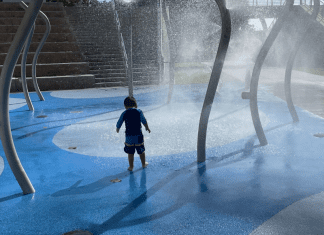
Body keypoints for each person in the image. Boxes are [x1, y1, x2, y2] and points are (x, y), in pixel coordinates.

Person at [116, 96, 151, 171]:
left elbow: (119, 122)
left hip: (129, 136)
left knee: (130, 152)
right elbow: (144, 120)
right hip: (138, 135)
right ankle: (143, 163)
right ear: (135, 104)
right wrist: (147, 127)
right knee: (141, 151)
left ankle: (131, 167)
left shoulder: (124, 113)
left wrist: (117, 128)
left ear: (125, 106)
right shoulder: (139, 111)